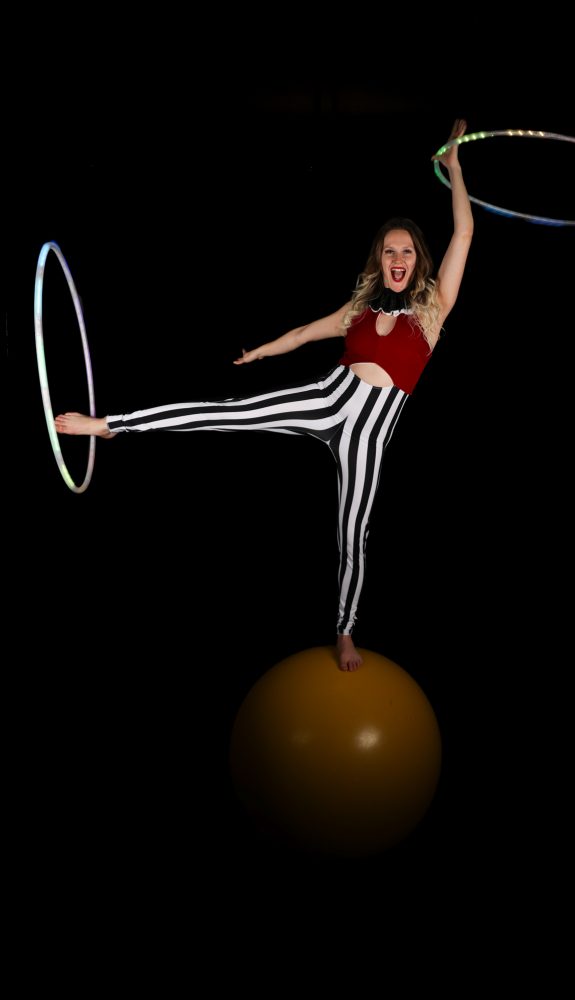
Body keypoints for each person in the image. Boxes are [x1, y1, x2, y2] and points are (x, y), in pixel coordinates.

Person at [55, 118, 474, 671]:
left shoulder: (432, 312)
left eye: (407, 252)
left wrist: (455, 169)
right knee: (221, 413)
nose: (398, 258)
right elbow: (301, 334)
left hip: (370, 434)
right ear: (379, 261)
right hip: (329, 397)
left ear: (417, 260)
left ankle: (346, 631)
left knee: (355, 531)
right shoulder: (358, 312)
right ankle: (109, 425)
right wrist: (259, 354)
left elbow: (463, 234)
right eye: (389, 251)